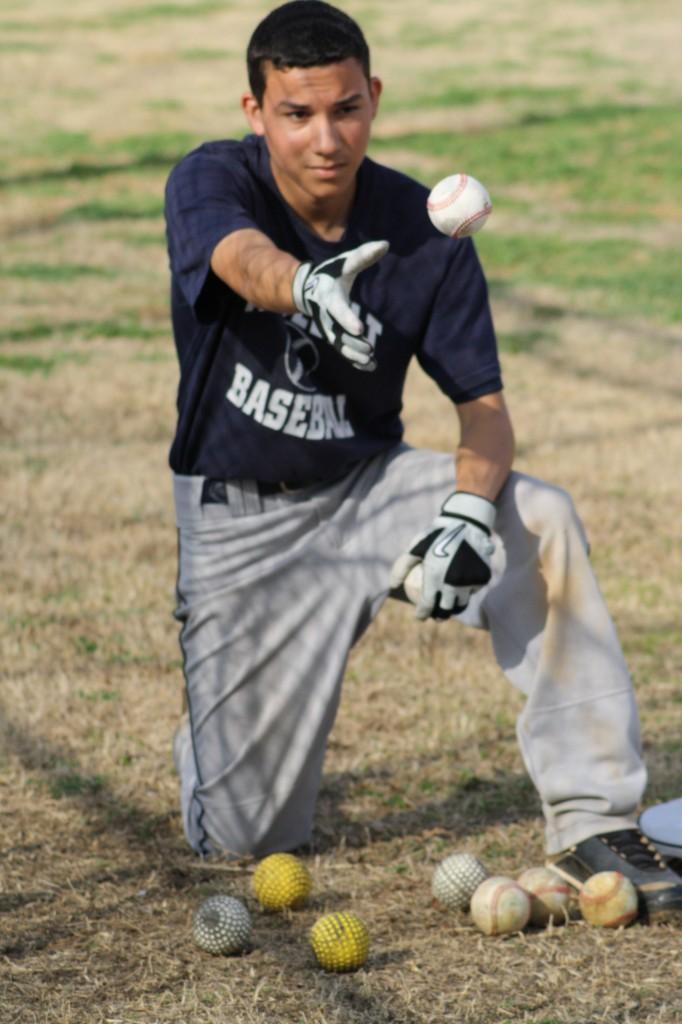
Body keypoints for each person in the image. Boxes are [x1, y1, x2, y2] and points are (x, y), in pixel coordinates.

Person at [164, 0, 682, 922]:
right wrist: (304, 284)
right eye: (297, 114)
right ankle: (219, 727)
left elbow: (482, 409)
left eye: (347, 109)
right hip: (242, 521)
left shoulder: (425, 228)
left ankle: (596, 817)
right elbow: (237, 258)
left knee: (543, 517)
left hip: (370, 490)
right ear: (256, 113)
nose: (327, 138)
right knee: (246, 836)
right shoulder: (212, 180)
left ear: (375, 98)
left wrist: (470, 513)